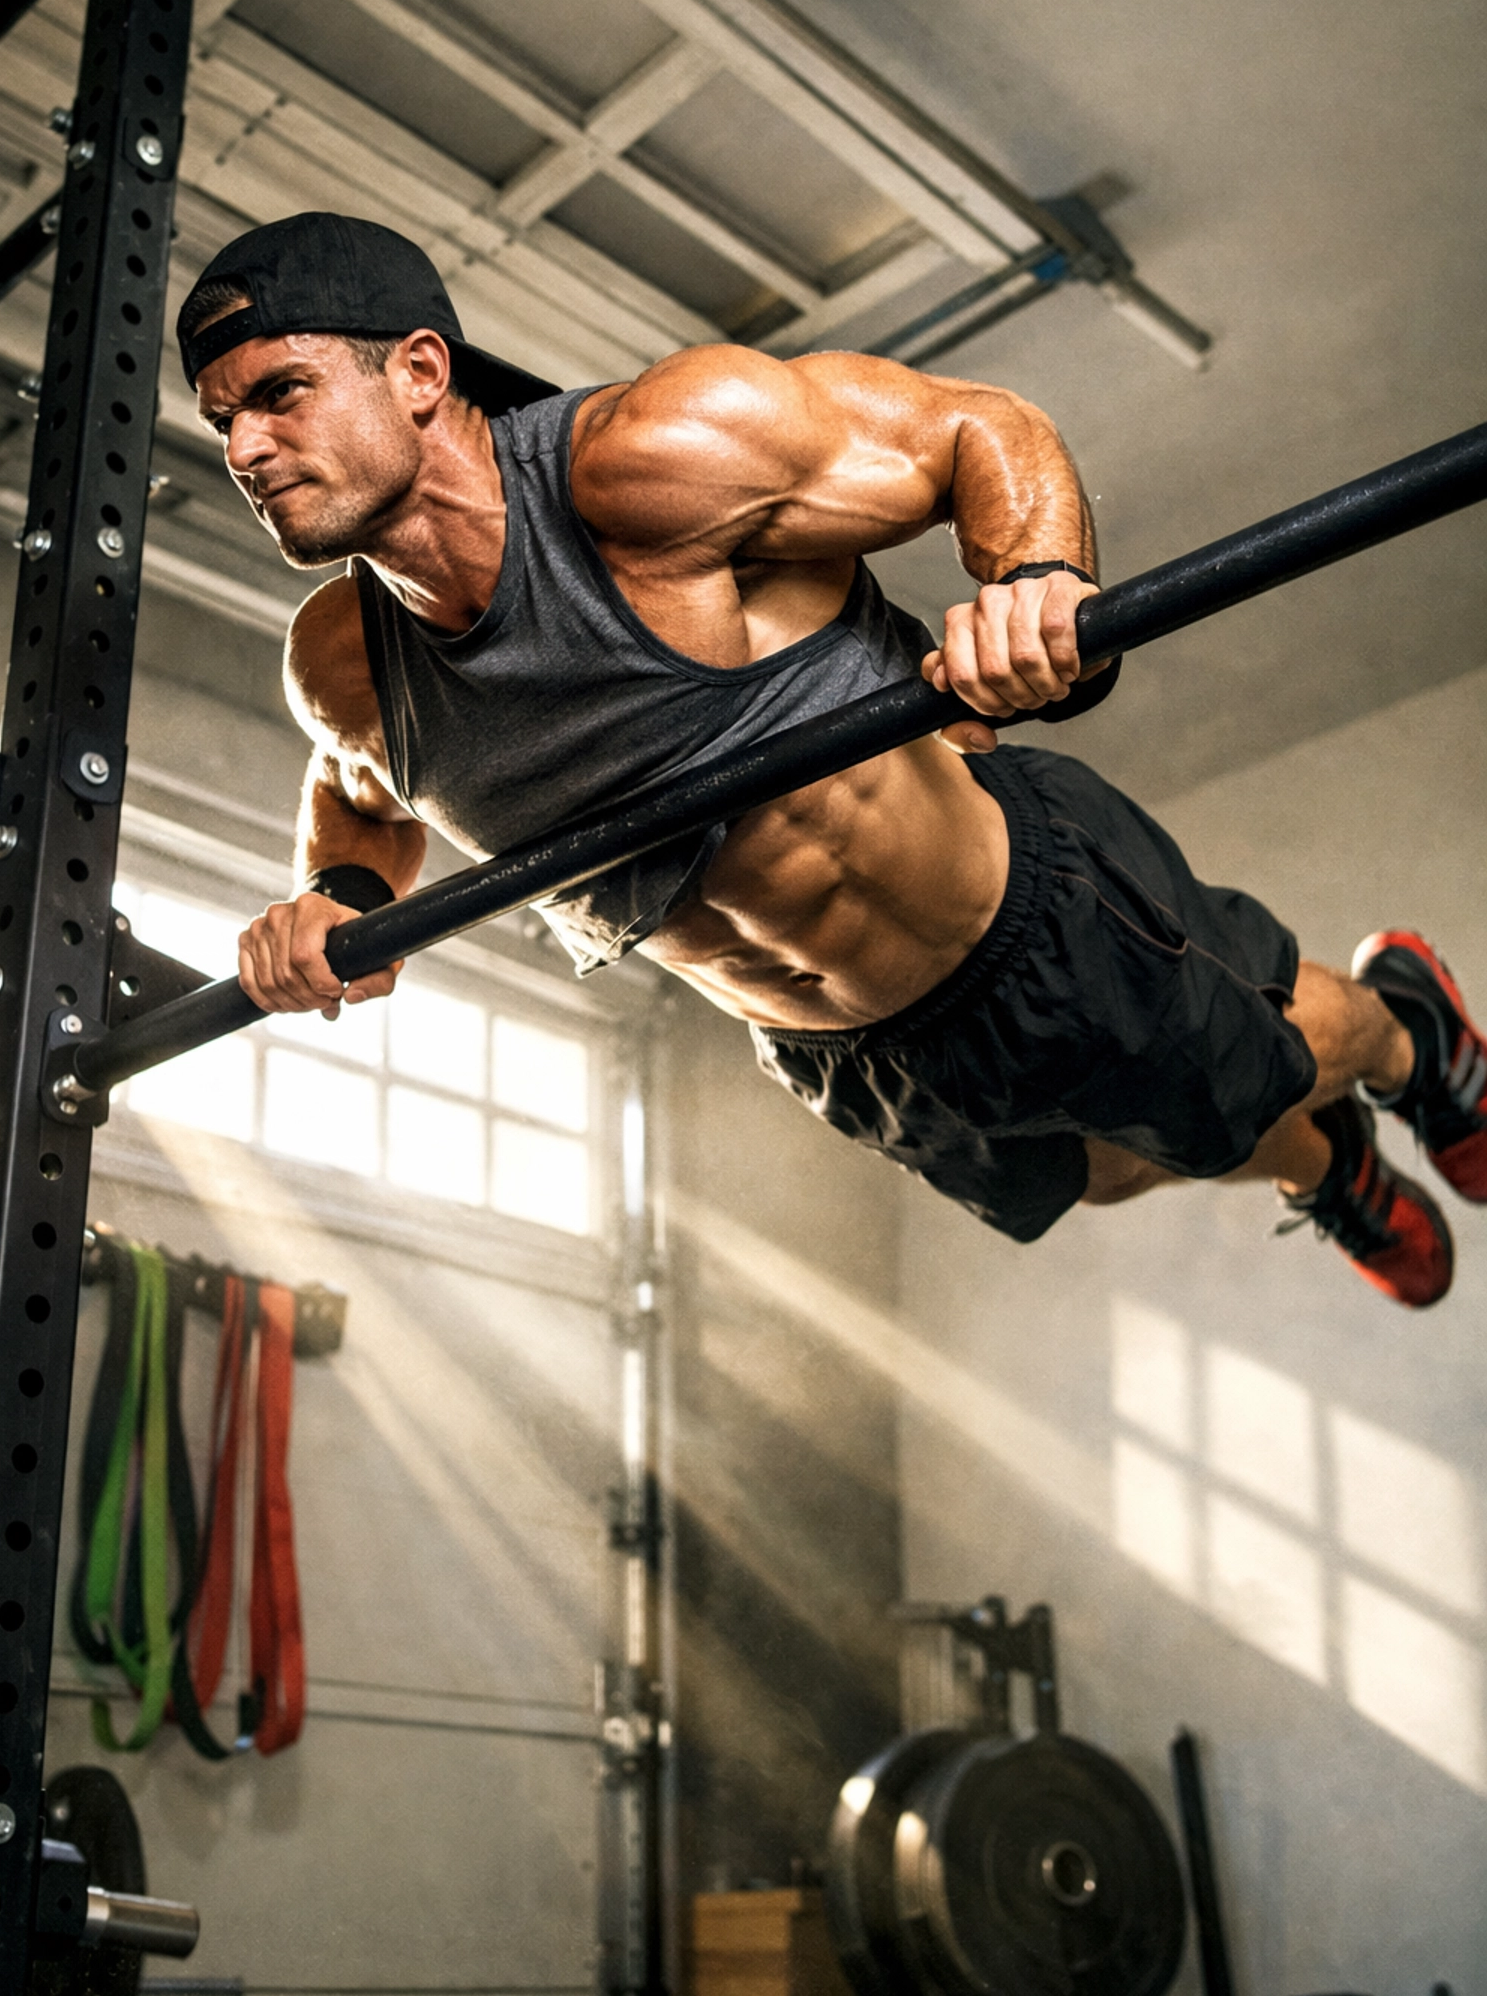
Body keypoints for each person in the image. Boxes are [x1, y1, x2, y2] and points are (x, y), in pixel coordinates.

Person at [179, 213, 1487, 1308]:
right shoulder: (341, 664)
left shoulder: (652, 462)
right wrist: (342, 899)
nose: (241, 449)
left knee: (1241, 1071)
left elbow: (974, 430)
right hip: (838, 1052)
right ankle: (1329, 1168)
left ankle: (1405, 1035)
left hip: (1016, 921)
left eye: (280, 394)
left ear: (418, 371)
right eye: (223, 418)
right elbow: (357, 788)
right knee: (1101, 1169)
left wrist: (1034, 581)